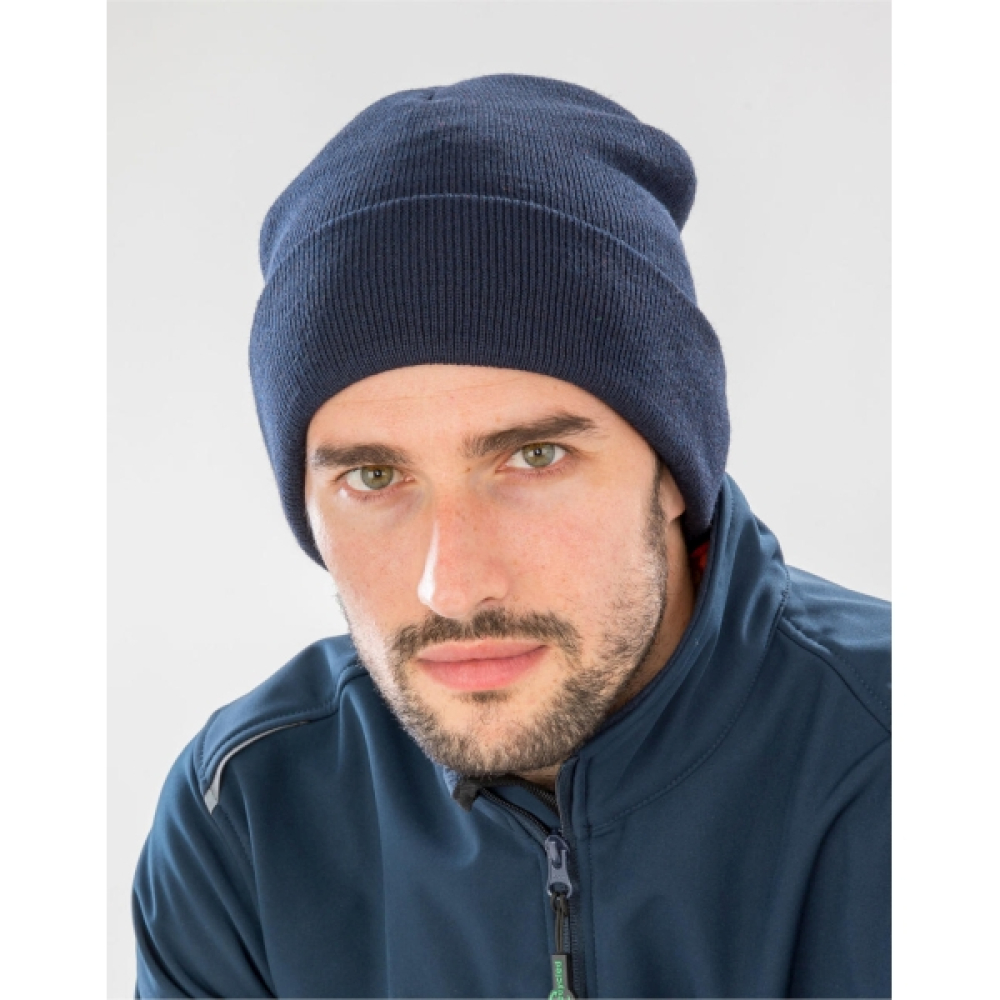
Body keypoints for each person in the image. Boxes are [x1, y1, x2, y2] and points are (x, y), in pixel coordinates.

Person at [132, 74, 890, 999]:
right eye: (374, 478)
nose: (453, 586)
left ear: (672, 473)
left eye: (534, 457)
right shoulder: (247, 810)